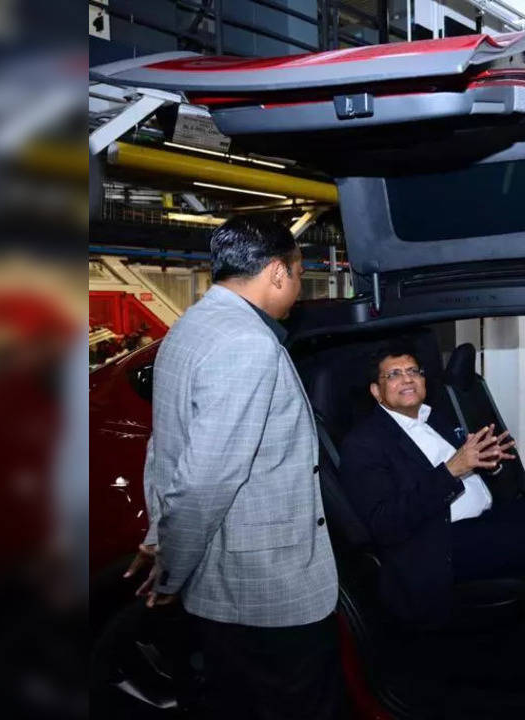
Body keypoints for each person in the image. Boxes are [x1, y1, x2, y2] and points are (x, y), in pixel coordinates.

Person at [125, 216, 341, 719]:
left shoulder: (191, 326)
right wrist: (171, 573)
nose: (297, 289)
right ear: (277, 273)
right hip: (267, 589)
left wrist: (161, 534)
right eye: (299, 272)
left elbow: (166, 446)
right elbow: (205, 480)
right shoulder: (248, 344)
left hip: (224, 588)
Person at [338, 344, 525, 626]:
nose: (407, 378)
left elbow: (471, 474)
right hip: (440, 546)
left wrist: (492, 464)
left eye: (413, 371)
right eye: (393, 374)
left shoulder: (435, 419)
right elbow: (385, 523)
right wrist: (451, 471)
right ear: (376, 392)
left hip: (486, 520)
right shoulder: (364, 444)